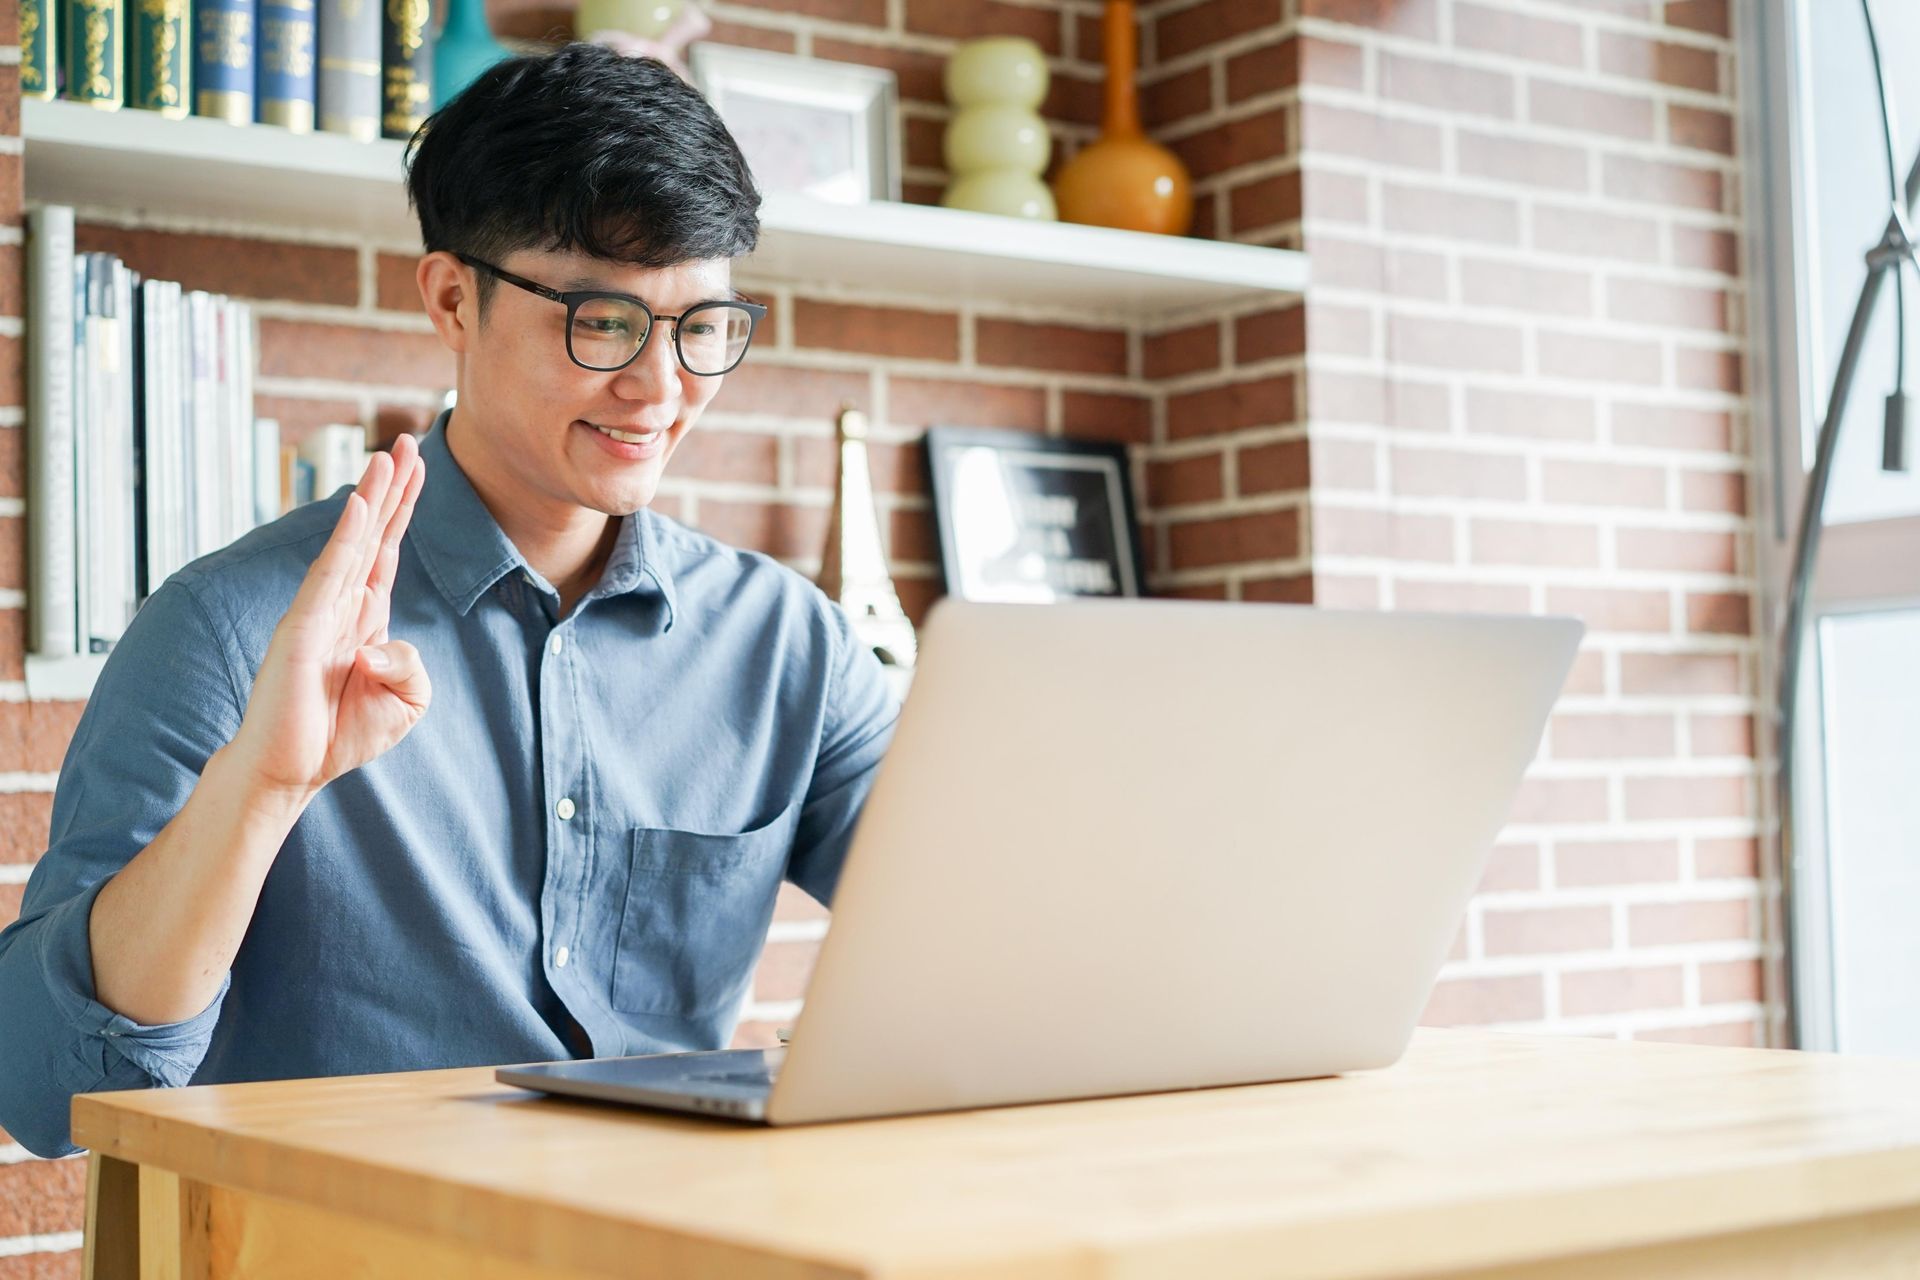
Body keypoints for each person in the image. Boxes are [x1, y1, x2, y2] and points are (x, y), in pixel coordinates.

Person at [0, 45, 899, 1159]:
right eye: (605, 319)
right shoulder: (232, 628)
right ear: (452, 298)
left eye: (702, 326)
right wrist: (264, 787)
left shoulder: (785, 643)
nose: (661, 387)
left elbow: (987, 923)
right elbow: (45, 1087)